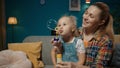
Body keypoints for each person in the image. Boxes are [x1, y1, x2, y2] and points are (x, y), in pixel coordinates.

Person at [56, 2, 114, 68]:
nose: (85, 17)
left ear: (101, 22)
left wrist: (75, 66)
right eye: (86, 13)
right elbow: (61, 53)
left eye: (91, 16)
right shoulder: (75, 33)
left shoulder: (105, 41)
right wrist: (58, 46)